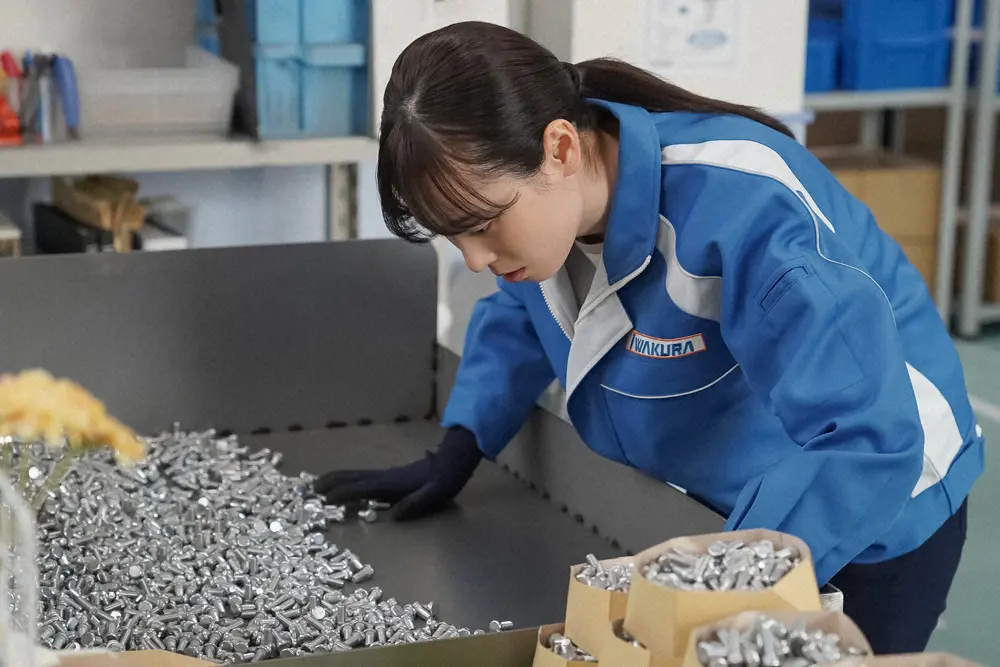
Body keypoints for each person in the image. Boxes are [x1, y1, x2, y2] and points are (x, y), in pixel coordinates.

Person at [314, 21, 983, 653]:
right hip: (743, 499)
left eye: (482, 225)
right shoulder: (551, 215)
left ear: (560, 148)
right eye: (452, 235)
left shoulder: (743, 209)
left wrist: (726, 584)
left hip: (872, 506)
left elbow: (867, 435)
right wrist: (463, 443)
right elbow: (522, 317)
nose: (474, 259)